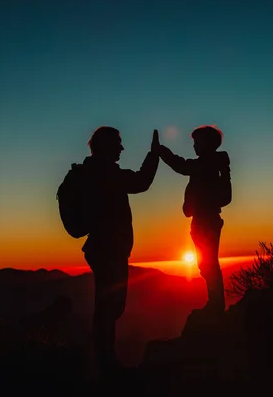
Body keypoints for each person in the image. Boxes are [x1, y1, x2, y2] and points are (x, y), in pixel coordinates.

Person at [81, 126, 160, 374]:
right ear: (105, 146)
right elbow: (140, 182)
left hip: (101, 248)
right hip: (109, 249)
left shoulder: (92, 171)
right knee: (110, 306)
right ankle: (105, 363)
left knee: (107, 305)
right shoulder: (106, 173)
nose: (122, 148)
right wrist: (154, 154)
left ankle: (104, 360)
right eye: (118, 143)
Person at [158, 125, 232, 314]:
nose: (194, 147)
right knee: (207, 263)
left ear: (206, 144)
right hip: (208, 219)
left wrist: (161, 151)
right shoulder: (215, 165)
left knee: (208, 263)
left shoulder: (203, 165)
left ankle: (215, 303)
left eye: (196, 142)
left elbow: (180, 165)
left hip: (205, 221)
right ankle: (215, 302)